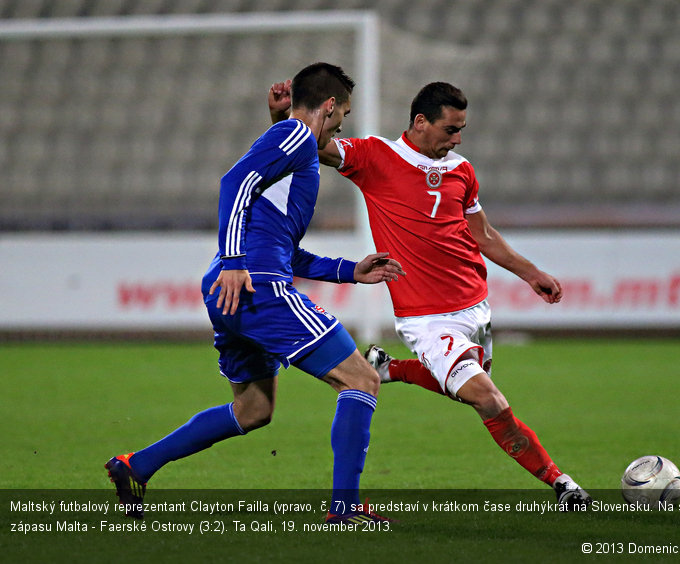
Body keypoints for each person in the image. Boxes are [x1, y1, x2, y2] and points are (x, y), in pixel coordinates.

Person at [268, 80, 591, 510]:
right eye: (450, 129)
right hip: (427, 319)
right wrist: (280, 117)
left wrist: (531, 274)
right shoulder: (375, 157)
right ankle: (562, 484)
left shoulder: (462, 170)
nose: (457, 139)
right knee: (488, 399)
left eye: (461, 130)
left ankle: (391, 369)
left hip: (475, 307)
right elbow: (309, 144)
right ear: (421, 122)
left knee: (466, 389)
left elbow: (484, 235)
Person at [105, 63, 405, 524]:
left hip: (233, 290)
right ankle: (344, 511)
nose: (343, 124)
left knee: (253, 409)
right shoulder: (300, 139)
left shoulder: (289, 148)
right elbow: (234, 182)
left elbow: (282, 244)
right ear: (329, 106)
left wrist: (349, 270)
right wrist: (233, 260)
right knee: (361, 379)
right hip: (254, 285)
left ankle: (136, 465)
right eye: (342, 114)